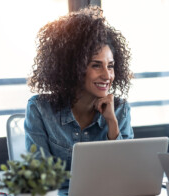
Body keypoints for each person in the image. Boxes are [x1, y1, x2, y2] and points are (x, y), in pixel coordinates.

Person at [25, 6, 134, 170]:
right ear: (74, 67)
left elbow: (127, 172)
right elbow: (40, 177)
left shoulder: (120, 110)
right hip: (59, 195)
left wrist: (112, 123)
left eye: (110, 66)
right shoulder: (40, 109)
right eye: (96, 66)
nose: (107, 75)